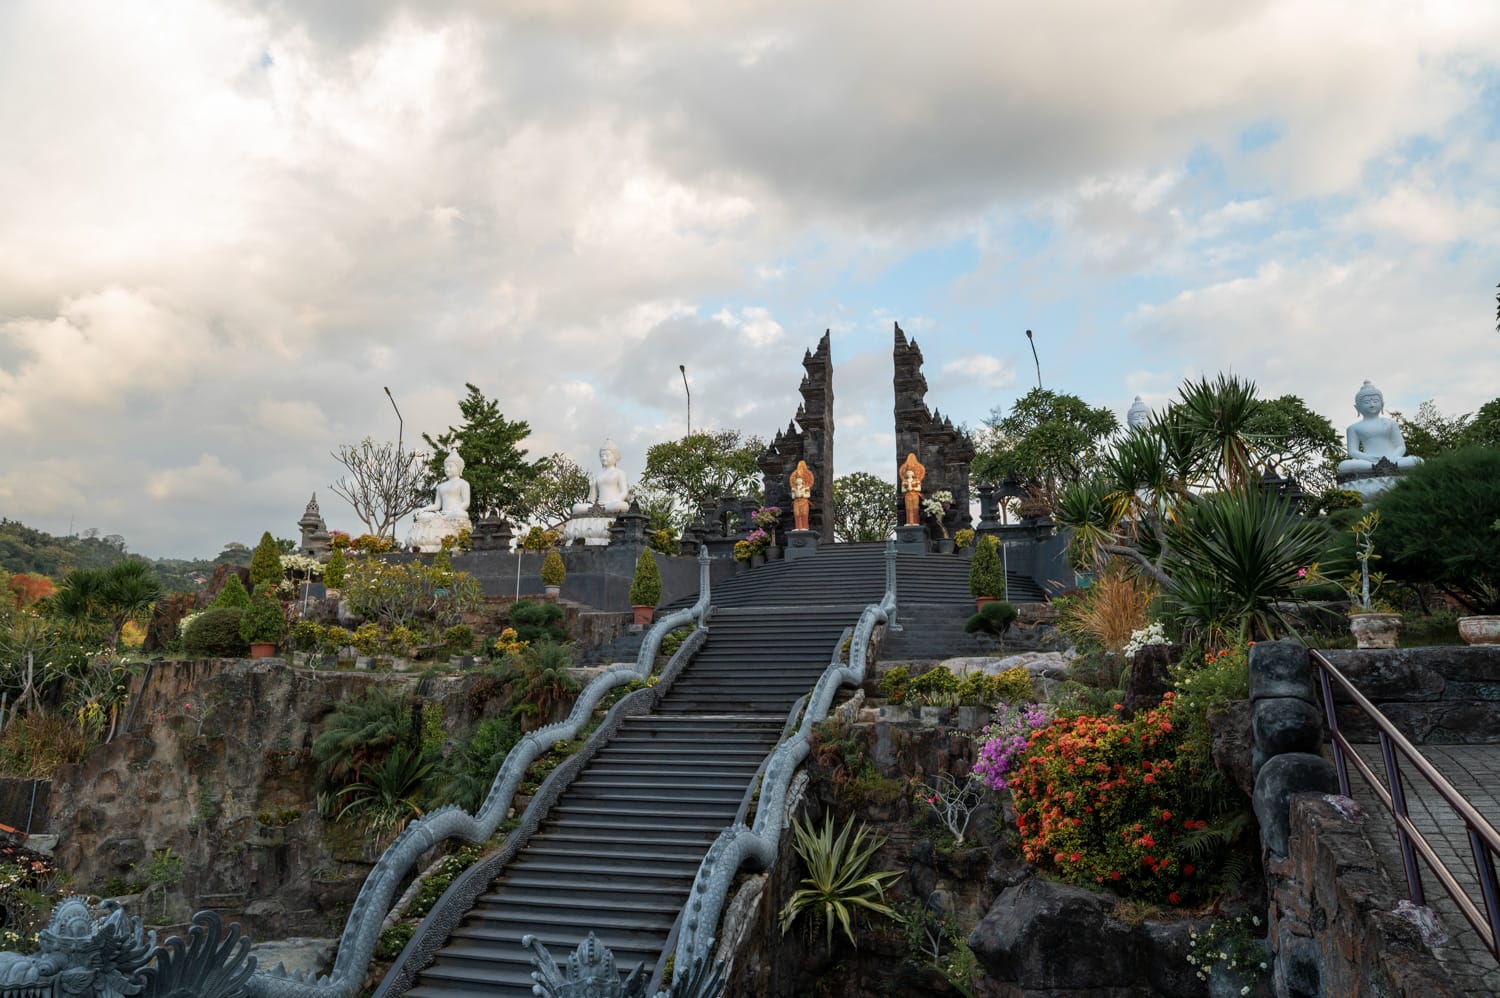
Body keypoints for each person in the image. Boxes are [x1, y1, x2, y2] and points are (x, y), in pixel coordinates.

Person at [1337, 380, 1423, 475]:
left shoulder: (1391, 423)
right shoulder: (1353, 428)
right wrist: (1370, 458)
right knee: (1343, 466)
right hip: (1369, 461)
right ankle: (1377, 466)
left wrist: (1393, 457)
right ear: (1357, 407)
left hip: (1393, 459)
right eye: (1366, 402)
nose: (1372, 404)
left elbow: (1401, 446)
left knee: (1417, 461)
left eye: (1375, 401)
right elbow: (1352, 451)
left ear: (1382, 404)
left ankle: (1382, 466)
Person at [407, 453, 473, 551]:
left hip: (454, 514)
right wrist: (423, 509)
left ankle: (441, 538)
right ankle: (434, 537)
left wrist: (453, 511)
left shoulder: (463, 483)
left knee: (461, 514)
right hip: (441, 514)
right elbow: (437, 505)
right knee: (423, 516)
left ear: (459, 468)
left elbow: (466, 503)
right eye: (445, 467)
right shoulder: (441, 486)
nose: (447, 469)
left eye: (450, 466)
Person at [572, 439, 632, 514]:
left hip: (613, 504)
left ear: (615, 456)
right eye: (602, 456)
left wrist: (615, 500)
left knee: (622, 506)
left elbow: (624, 492)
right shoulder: (598, 475)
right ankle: (601, 510)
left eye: (607, 456)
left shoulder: (620, 473)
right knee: (576, 507)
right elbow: (592, 499)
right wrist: (592, 486)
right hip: (599, 505)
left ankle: (605, 509)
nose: (604, 458)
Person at [899, 453, 925, 526]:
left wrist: (912, 488)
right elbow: (903, 490)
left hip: (915, 495)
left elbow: (919, 488)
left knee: (915, 508)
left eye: (910, 472)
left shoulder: (916, 480)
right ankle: (908, 522)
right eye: (908, 472)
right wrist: (908, 489)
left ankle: (915, 522)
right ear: (906, 474)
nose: (909, 474)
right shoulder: (904, 481)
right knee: (908, 508)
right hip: (907, 495)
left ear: (913, 473)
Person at [789, 461, 814, 531]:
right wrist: (794, 493)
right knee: (797, 515)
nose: (798, 480)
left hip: (804, 501)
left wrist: (803, 494)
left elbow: (808, 495)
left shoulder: (806, 488)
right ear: (795, 481)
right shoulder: (794, 488)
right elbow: (793, 497)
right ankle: (797, 527)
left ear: (803, 480)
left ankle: (805, 527)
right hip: (796, 502)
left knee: (804, 514)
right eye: (797, 479)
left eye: (800, 479)